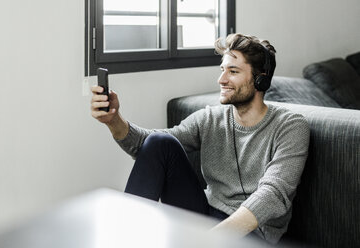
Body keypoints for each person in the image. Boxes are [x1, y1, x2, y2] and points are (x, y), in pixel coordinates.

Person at [90, 33, 310, 244]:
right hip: (205, 215)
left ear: (260, 80)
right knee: (160, 143)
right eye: (222, 70)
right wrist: (113, 120)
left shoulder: (290, 126)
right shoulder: (210, 118)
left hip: (251, 232)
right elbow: (145, 146)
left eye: (233, 71)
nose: (221, 79)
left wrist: (205, 240)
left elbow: (272, 195)